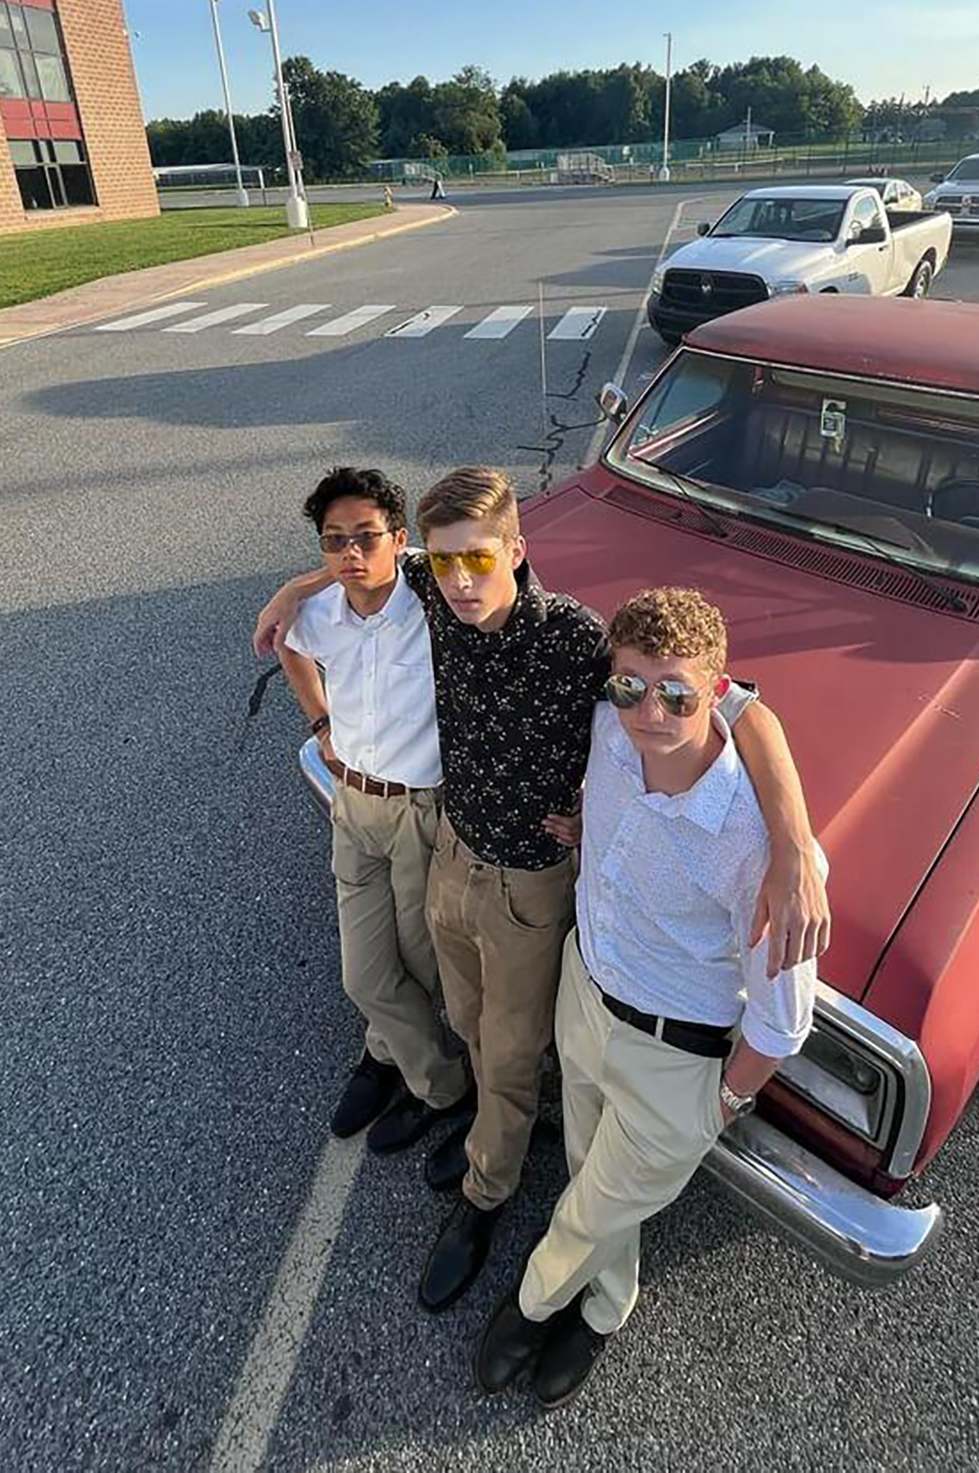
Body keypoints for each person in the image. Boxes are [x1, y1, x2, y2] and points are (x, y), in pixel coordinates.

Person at [254, 469, 829, 1314]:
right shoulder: (434, 587)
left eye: (479, 560)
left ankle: (487, 1192)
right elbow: (367, 561)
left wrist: (792, 844)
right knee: (469, 1022)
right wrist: (292, 587)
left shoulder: (572, 639)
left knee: (516, 1051)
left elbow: (731, 704)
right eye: (444, 563)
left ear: (518, 552)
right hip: (453, 849)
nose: (459, 580)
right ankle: (485, 1127)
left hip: (530, 882)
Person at [474, 587, 823, 1410]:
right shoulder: (611, 732)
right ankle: (609, 1301)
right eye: (632, 686)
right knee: (590, 1171)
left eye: (677, 694)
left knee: (587, 1210)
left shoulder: (753, 845)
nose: (651, 711)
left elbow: (784, 1017)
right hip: (585, 998)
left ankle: (535, 1306)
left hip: (676, 1059)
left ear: (716, 692)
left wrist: (725, 1104)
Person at [275, 467, 473, 1153]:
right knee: (365, 970)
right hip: (353, 803)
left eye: (366, 537)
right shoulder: (321, 612)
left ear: (400, 538)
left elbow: (489, 561)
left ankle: (388, 1054)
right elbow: (288, 648)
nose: (350, 553)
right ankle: (441, 1085)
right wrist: (320, 724)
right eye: (333, 542)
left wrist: (298, 582)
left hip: (422, 810)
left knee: (418, 963)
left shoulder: (436, 601)